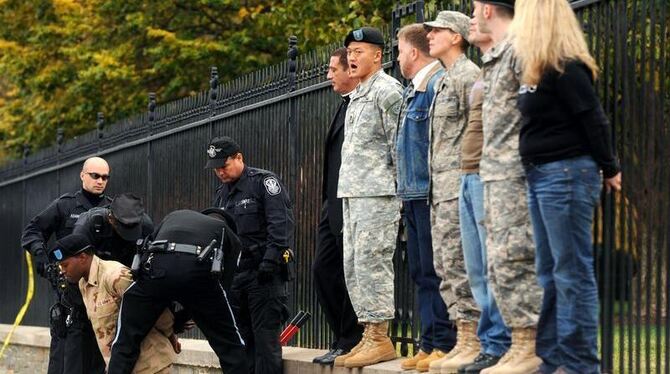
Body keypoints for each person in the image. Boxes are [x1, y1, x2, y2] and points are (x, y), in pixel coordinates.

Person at [510, 1, 622, 373]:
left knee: (572, 272)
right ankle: (555, 357)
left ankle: (580, 363)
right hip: (541, 175)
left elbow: (594, 119)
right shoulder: (536, 68)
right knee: (550, 271)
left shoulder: (566, 66)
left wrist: (610, 167)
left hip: (567, 175)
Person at [472, 1, 544, 373]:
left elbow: (536, 111)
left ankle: (528, 344)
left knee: (516, 257)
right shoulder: (496, 56)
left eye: (474, 8)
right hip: (493, 173)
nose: (472, 15)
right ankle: (517, 343)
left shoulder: (519, 50)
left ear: (487, 10)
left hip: (515, 173)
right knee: (497, 262)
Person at [334, 26, 403, 369]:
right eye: (349, 52)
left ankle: (380, 336)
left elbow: (400, 146)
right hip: (354, 193)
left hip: (379, 195)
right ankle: (368, 333)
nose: (352, 57)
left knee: (372, 262)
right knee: (355, 265)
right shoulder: (359, 94)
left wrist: (400, 198)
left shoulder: (387, 91)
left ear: (378, 55)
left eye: (359, 51)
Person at [107, 208, 248, 373]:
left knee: (125, 340)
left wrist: (167, 312)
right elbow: (223, 289)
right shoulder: (228, 234)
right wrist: (185, 316)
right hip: (200, 277)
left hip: (156, 272)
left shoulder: (173, 215)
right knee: (231, 346)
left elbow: (147, 254)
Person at [395, 23, 457, 372]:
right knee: (420, 270)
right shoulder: (413, 90)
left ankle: (445, 342)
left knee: (437, 269)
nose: (398, 56)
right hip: (414, 193)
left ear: (413, 52)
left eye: (400, 50)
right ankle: (430, 340)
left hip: (431, 192)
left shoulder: (436, 85)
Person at [423, 11, 482, 374]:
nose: (429, 36)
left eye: (437, 31)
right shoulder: (443, 79)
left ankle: (473, 339)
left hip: (458, 187)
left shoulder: (468, 76)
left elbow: (477, 134)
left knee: (461, 265)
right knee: (446, 266)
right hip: (439, 189)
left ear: (456, 36)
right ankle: (463, 338)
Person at [209, 136, 295, 374]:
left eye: (223, 166)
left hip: (263, 275)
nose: (220, 172)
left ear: (239, 158)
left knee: (265, 344)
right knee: (240, 343)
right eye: (216, 168)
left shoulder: (263, 182)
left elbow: (280, 225)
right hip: (236, 277)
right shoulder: (221, 194)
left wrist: (269, 261)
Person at [455, 16, 512, 374]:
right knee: (475, 267)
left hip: (487, 173)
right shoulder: (484, 69)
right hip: (467, 173)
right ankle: (488, 341)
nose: (474, 20)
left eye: (479, 13)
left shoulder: (504, 61)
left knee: (493, 266)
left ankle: (499, 343)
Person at [20, 156, 111, 374]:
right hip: (70, 295)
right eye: (95, 176)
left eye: (105, 177)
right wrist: (43, 259)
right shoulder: (65, 205)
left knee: (99, 361)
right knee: (66, 359)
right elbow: (32, 232)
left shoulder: (113, 209)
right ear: (82, 175)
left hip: (103, 296)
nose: (100, 181)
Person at [50, 233, 177, 373]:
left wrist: (171, 334)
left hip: (151, 365)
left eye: (65, 264)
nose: (62, 270)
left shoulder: (115, 276)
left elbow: (153, 309)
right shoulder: (83, 283)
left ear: (82, 257)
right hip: (120, 367)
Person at [311, 47, 364, 366]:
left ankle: (351, 339)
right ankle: (343, 337)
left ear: (350, 69)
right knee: (323, 270)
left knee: (347, 272)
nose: (329, 75)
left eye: (333, 69)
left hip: (352, 201)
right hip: (332, 204)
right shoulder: (344, 106)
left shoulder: (363, 103)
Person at [73, 193, 154, 267]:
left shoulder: (146, 225)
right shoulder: (88, 225)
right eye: (124, 227)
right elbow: (77, 264)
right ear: (110, 219)